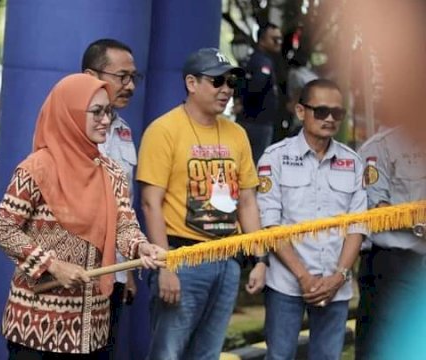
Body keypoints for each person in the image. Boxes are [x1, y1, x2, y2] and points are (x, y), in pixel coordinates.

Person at [0, 73, 165, 359]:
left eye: (108, 111)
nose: (106, 120)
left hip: (91, 324)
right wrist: (52, 265)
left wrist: (142, 247)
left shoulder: (112, 173)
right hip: (36, 324)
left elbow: (124, 227)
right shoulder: (36, 168)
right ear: (69, 114)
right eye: (96, 112)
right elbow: (4, 229)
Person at [137, 47, 266, 360]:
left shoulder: (237, 134)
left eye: (231, 83)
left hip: (227, 259)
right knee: (168, 353)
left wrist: (260, 258)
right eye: (217, 81)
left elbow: (247, 201)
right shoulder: (163, 130)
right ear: (191, 83)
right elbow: (150, 203)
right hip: (183, 258)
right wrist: (166, 266)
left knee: (208, 354)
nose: (226, 90)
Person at [256, 79, 367, 360]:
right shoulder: (275, 158)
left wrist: (339, 276)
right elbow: (270, 225)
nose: (330, 119)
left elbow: (358, 225)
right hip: (286, 283)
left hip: (336, 285)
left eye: (337, 113)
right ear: (300, 111)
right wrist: (303, 277)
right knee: (279, 356)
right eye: (321, 111)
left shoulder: (353, 162)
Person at [81, 38, 143, 358]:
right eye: (122, 76)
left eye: (134, 77)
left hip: (113, 273)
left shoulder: (124, 130)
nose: (130, 85)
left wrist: (126, 270)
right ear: (92, 76)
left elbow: (124, 209)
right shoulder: (70, 126)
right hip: (76, 274)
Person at [356, 125, 426, 359]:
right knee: (381, 345)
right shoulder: (379, 147)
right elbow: (379, 211)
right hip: (392, 262)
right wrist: (420, 225)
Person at [239, 23, 283, 162]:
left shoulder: (259, 60)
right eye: (274, 39)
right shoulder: (261, 62)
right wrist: (244, 103)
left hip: (256, 121)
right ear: (262, 40)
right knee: (255, 166)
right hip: (258, 123)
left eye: (280, 39)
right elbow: (256, 85)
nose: (278, 43)